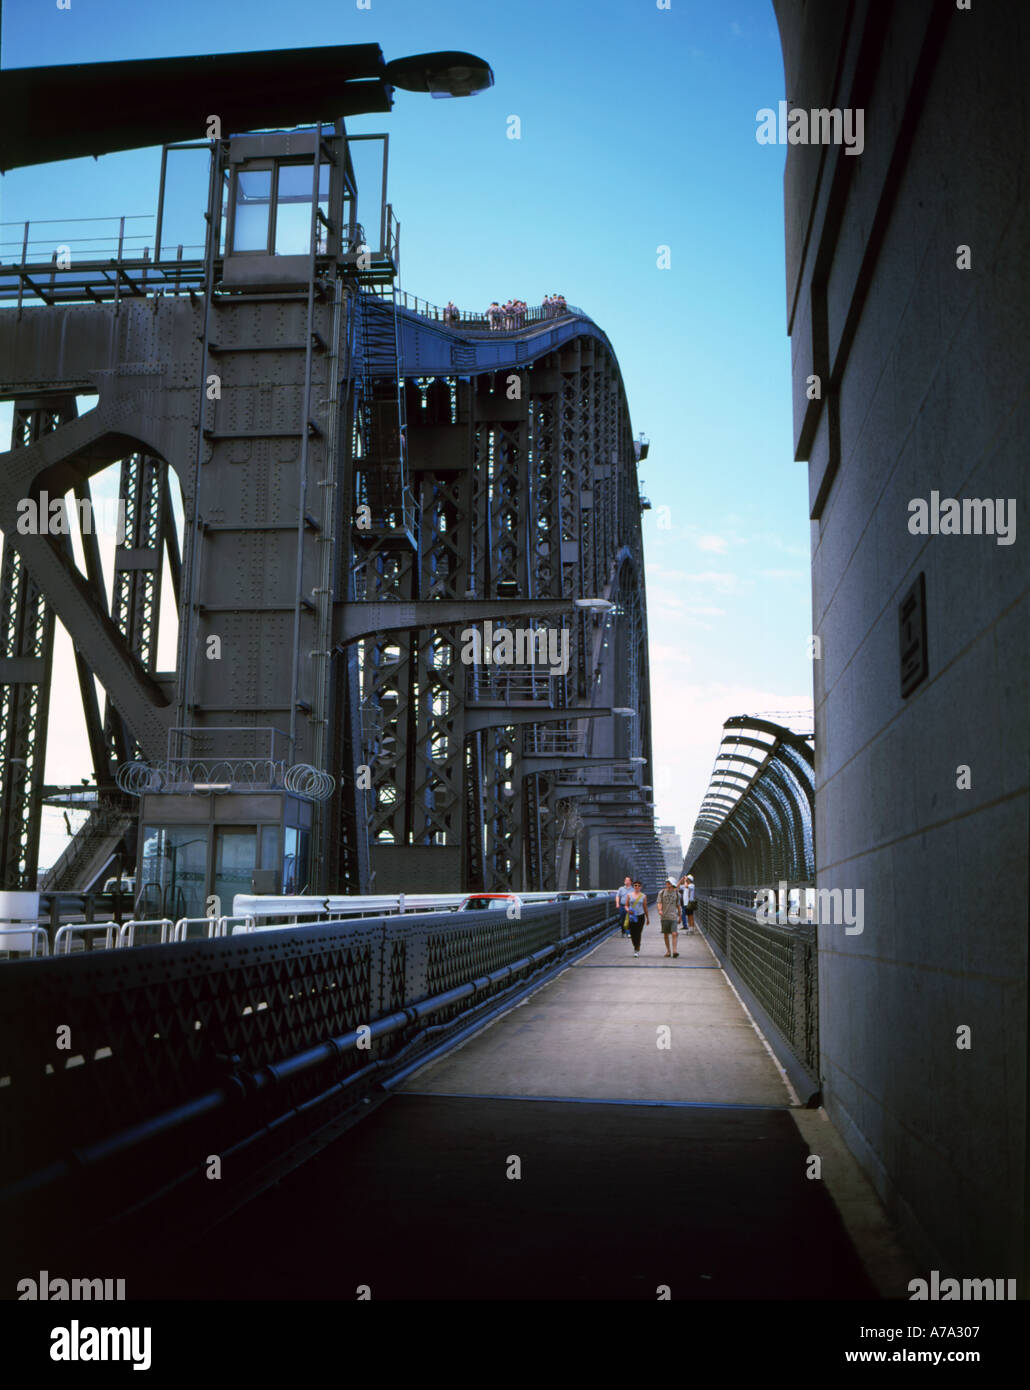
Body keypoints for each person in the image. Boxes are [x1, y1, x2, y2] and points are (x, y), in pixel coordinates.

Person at [658, 876, 681, 957]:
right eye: (667, 882)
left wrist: (680, 916)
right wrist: (660, 910)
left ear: (672, 884)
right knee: (666, 934)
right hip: (664, 917)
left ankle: (675, 951)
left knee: (674, 933)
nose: (667, 884)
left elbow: (678, 906)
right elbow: (659, 903)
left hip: (673, 916)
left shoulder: (677, 894)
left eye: (669, 883)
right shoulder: (662, 892)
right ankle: (668, 951)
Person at [626, 879, 649, 956]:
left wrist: (647, 918)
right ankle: (636, 945)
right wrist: (628, 910)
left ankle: (636, 948)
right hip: (632, 916)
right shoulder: (629, 895)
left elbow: (645, 907)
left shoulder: (643, 896)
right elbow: (626, 905)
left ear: (641, 887)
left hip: (640, 916)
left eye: (639, 886)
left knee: (638, 932)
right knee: (632, 933)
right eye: (635, 885)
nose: (637, 887)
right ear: (633, 886)